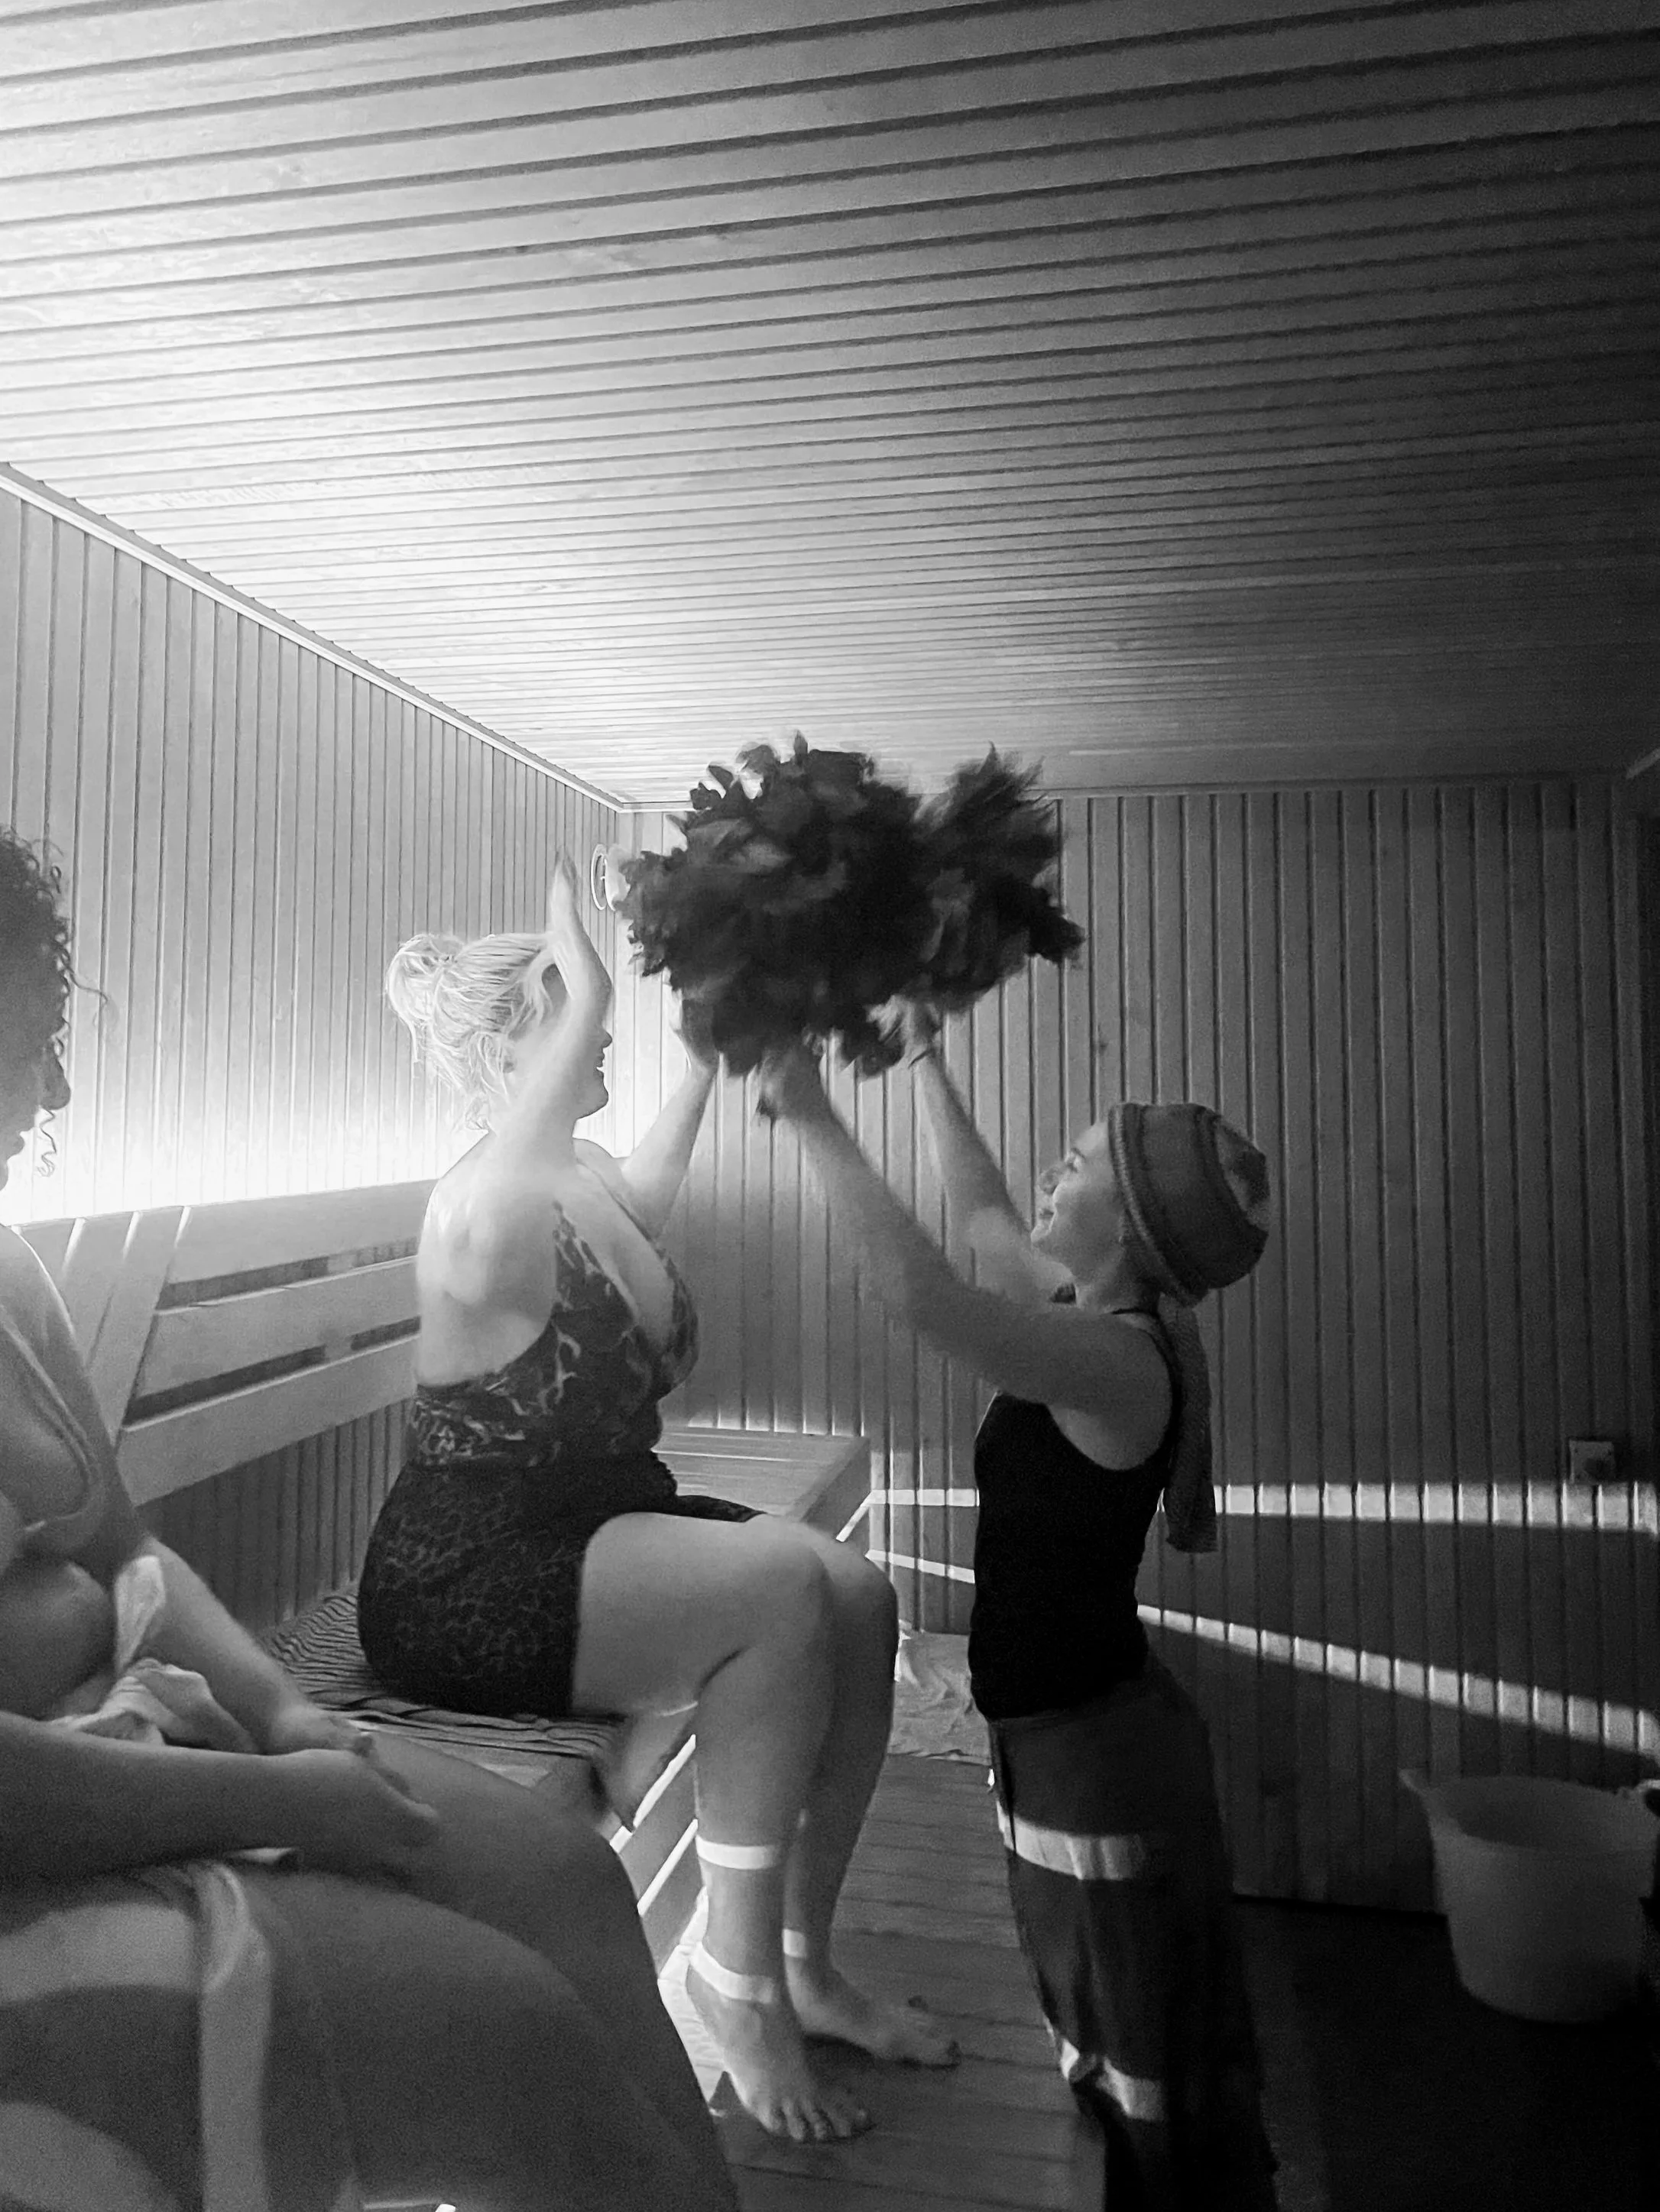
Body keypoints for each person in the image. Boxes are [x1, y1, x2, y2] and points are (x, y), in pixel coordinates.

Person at [0, 825, 738, 2212]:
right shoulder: (494, 1188)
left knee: (567, 1878)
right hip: (38, 1852)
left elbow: (130, 1555)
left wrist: (285, 1716)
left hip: (141, 1738)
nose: (61, 1082)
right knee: (515, 2040)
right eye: (28, 1036)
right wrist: (280, 1795)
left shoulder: (11, 1274)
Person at [356, 855, 955, 2145]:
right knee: (780, 1591)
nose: (605, 1046)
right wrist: (576, 984)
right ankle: (729, 1983)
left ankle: (801, 1961)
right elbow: (488, 1232)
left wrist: (716, 1041)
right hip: (470, 1568)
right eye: (583, 1028)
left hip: (598, 1523)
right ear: (521, 1046)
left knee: (856, 1596)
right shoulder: (478, 1205)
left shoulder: (577, 1184)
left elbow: (647, 1184)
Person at [760, 1006, 1281, 2211]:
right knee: (1102, 2030)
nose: (1059, 1165)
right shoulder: (1097, 1315)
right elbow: (989, 1221)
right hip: (1064, 1742)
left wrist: (813, 1111)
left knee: (1145, 2054)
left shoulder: (1120, 1362)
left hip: (1100, 1760)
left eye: (1085, 1161)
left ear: (1137, 1229)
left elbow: (923, 1293)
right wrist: (930, 1057)